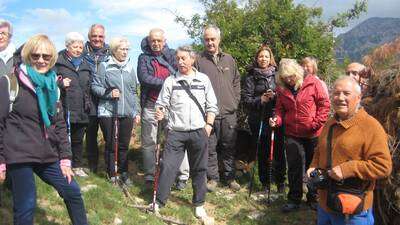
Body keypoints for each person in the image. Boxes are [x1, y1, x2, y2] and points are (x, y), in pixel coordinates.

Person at [0, 34, 88, 225]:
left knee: (72, 192)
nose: (41, 60)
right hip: (19, 154)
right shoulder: (10, 83)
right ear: (27, 55)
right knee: (26, 205)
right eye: (36, 55)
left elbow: (60, 125)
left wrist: (65, 159)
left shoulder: (53, 86)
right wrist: (1, 161)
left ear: (52, 59)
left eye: (46, 56)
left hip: (47, 154)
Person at [307, 76, 392, 225]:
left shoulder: (370, 126)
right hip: (325, 204)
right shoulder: (330, 123)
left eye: (346, 93)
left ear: (358, 97)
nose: (340, 98)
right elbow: (320, 150)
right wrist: (313, 166)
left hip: (353, 210)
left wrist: (348, 169)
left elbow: (383, 166)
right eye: (336, 93)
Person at [153, 45, 218, 222]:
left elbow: (212, 105)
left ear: (192, 59)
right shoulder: (170, 81)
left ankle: (199, 205)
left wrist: (208, 125)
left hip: (199, 132)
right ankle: (159, 201)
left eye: (183, 58)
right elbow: (161, 104)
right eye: (178, 58)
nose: (180, 61)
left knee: (200, 169)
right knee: (168, 166)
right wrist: (160, 112)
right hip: (176, 132)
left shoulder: (203, 80)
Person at [269, 58, 330, 212]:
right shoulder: (281, 89)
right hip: (292, 133)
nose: (289, 80)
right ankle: (294, 199)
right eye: (285, 78)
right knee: (294, 167)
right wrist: (277, 120)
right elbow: (280, 109)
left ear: (297, 72)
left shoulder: (313, 83)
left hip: (313, 133)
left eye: (291, 76)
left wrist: (315, 124)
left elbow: (324, 105)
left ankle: (313, 197)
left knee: (314, 167)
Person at [137, 28, 189, 190]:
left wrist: (168, 82)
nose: (156, 43)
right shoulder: (143, 58)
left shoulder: (173, 55)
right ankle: (150, 174)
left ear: (164, 41)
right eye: (153, 40)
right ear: (149, 41)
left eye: (159, 40)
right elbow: (144, 78)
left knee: (177, 139)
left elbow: (181, 74)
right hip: (151, 105)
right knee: (149, 141)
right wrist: (167, 83)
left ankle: (182, 175)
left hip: (172, 105)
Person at [195, 25, 241, 191]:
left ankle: (230, 178)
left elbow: (236, 81)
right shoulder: (199, 60)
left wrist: (235, 101)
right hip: (208, 114)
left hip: (229, 112)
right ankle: (212, 178)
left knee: (229, 147)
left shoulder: (229, 59)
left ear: (219, 40)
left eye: (212, 39)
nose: (210, 42)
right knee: (210, 147)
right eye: (206, 39)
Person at [91, 37, 140, 185]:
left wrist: (136, 111)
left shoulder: (130, 68)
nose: (125, 52)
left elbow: (133, 91)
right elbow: (95, 86)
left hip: (127, 112)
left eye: (127, 49)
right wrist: (108, 93)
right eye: (122, 49)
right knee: (112, 144)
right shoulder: (105, 66)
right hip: (109, 112)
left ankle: (123, 173)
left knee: (124, 145)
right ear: (114, 50)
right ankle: (112, 173)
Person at [242, 44, 286, 193]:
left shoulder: (277, 75)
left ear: (270, 58)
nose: (263, 59)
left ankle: (280, 181)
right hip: (258, 118)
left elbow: (284, 95)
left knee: (279, 150)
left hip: (275, 116)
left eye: (266, 56)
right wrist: (260, 100)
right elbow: (246, 100)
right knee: (262, 151)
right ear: (257, 58)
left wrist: (275, 96)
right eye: (261, 56)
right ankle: (265, 182)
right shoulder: (250, 76)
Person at [55, 32, 93, 177]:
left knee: (78, 140)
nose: (78, 49)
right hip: (65, 107)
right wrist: (59, 83)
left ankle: (77, 166)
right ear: (67, 46)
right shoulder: (58, 62)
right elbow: (49, 80)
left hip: (82, 108)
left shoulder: (85, 64)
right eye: (74, 46)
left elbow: (89, 86)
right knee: (63, 137)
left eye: (80, 46)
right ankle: (62, 165)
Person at [83, 24, 110, 173]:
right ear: (89, 37)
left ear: (104, 37)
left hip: (106, 99)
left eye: (100, 36)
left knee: (109, 134)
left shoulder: (111, 53)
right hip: (89, 100)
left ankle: (109, 166)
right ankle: (92, 166)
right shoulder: (81, 52)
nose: (97, 39)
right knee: (91, 134)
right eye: (94, 36)